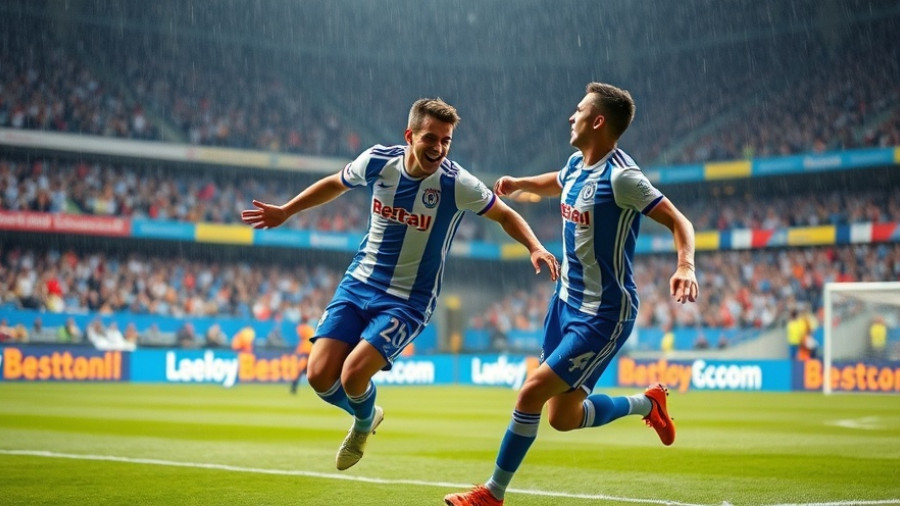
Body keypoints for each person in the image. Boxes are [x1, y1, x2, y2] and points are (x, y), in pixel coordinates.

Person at [241, 97, 559, 471]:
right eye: (430, 138)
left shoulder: (456, 183)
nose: (438, 148)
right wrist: (286, 210)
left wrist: (535, 246)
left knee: (354, 373)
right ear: (410, 135)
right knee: (318, 376)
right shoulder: (378, 161)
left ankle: (360, 425)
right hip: (359, 283)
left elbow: (505, 214)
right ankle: (369, 414)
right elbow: (335, 183)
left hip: (408, 300)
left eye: (446, 140)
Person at [444, 83, 699, 506]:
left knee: (530, 393)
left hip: (603, 314)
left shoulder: (623, 178)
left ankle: (492, 494)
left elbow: (679, 221)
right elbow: (557, 183)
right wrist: (520, 182)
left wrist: (686, 265)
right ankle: (646, 404)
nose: (571, 116)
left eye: (578, 110)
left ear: (597, 121)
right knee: (562, 418)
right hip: (564, 302)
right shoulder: (578, 164)